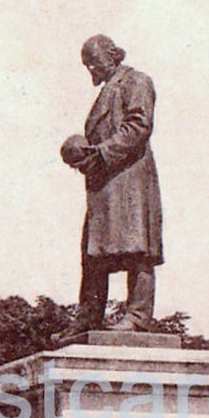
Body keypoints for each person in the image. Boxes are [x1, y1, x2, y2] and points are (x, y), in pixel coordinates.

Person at [55, 34, 163, 342]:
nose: (90, 68)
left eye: (94, 61)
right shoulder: (106, 92)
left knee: (137, 249)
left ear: (112, 55)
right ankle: (88, 316)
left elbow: (139, 125)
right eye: (86, 64)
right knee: (93, 253)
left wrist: (101, 152)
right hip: (105, 183)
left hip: (129, 178)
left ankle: (138, 316)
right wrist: (81, 154)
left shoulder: (136, 81)